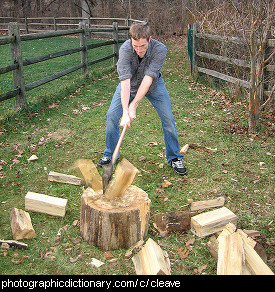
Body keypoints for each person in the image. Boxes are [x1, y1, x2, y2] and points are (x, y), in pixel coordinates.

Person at [98, 23, 186, 175]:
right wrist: (125, 110)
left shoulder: (160, 49)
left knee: (168, 119)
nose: (139, 50)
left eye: (143, 46)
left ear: (150, 39)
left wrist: (134, 106)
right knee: (112, 115)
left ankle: (174, 157)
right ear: (131, 41)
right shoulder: (125, 50)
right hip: (130, 86)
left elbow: (148, 78)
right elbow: (124, 82)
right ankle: (110, 154)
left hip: (153, 86)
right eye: (135, 45)